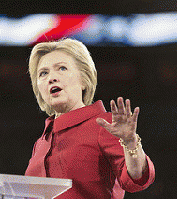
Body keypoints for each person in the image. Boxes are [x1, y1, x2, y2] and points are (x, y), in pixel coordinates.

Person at [25, 38, 155, 199]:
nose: (51, 78)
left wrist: (130, 143)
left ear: (84, 80)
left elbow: (135, 179)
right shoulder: (41, 142)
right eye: (43, 73)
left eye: (62, 68)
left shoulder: (104, 125)